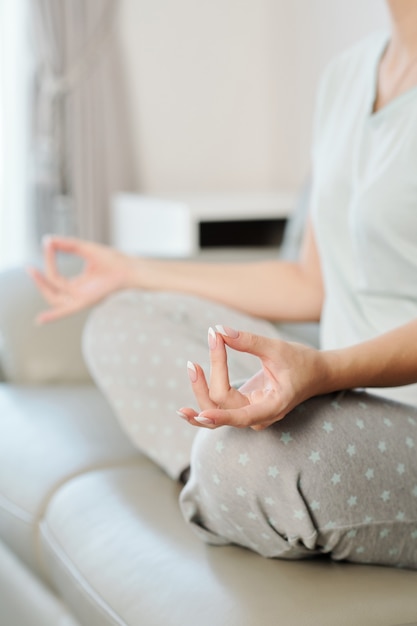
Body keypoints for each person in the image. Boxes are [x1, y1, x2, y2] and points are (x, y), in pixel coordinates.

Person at [29, 0, 417, 569]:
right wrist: (133, 268)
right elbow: (310, 282)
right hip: (329, 387)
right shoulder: (347, 75)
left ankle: (235, 477)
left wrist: (327, 372)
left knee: (247, 459)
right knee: (119, 321)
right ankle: (240, 481)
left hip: (388, 407)